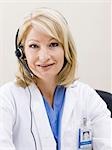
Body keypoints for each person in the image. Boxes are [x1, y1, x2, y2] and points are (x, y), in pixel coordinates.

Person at [0, 7, 111, 150]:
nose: (44, 57)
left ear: (66, 49)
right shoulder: (7, 99)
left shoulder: (87, 97)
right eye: (34, 46)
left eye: (53, 44)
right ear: (22, 53)